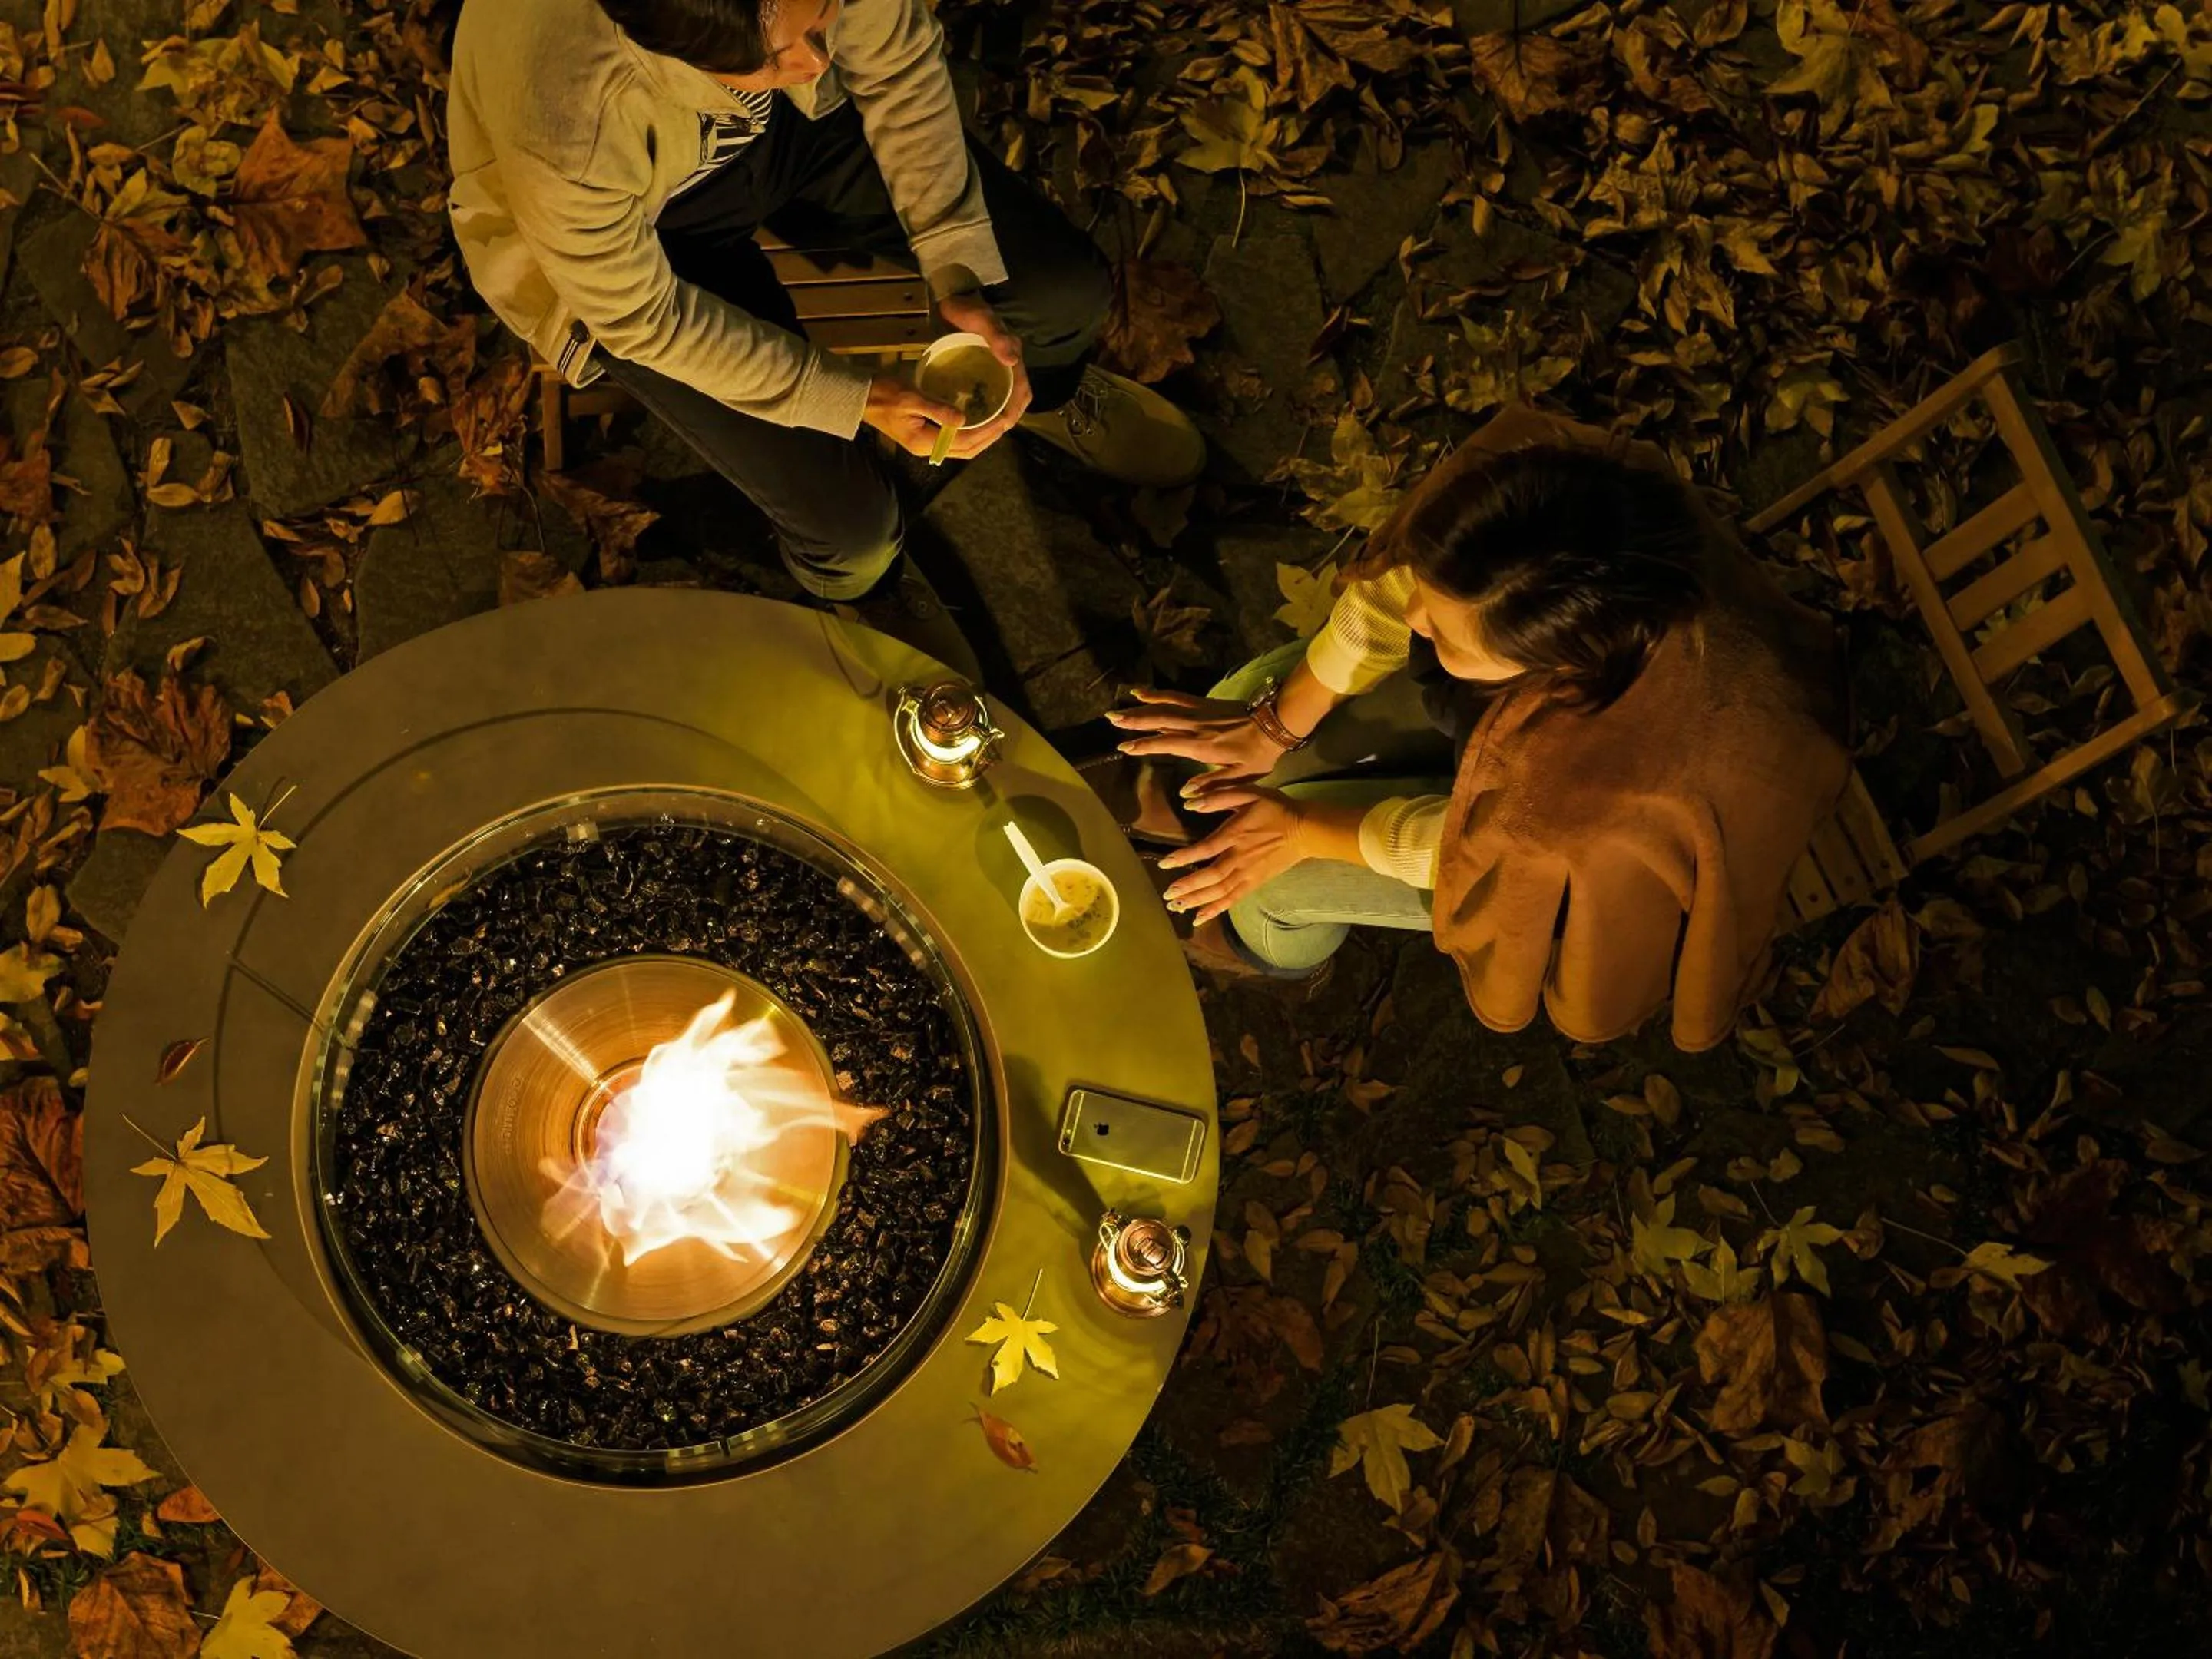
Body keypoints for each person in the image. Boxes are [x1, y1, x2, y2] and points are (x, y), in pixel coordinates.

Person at [445, 0, 1206, 667]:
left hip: (788, 130)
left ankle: (1054, 390)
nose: (821, 57)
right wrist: (856, 398)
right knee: (850, 527)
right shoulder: (566, 125)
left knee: (1064, 292)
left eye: (823, 17)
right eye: (789, 50)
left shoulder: (804, 54)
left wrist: (955, 267)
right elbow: (649, 320)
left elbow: (898, 62)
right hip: (647, 241)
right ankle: (867, 586)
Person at [1105, 406, 1851, 1052]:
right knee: (1248, 709)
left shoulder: (1596, 786)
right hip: (1507, 735)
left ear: (1553, 667)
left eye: (1451, 640)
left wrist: (1303, 830)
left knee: (1266, 885)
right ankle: (1221, 814)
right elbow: (1399, 592)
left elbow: (1474, 853)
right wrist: (1272, 727)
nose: (1416, 621)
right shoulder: (1544, 489)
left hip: (1558, 856)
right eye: (1430, 599)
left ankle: (1265, 944)